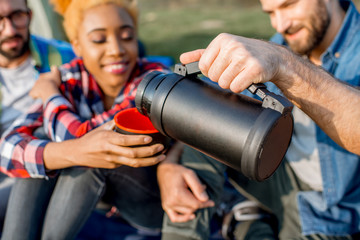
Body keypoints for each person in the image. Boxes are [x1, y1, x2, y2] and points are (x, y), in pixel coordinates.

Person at [0, 0, 220, 239]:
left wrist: (49, 94)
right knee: (40, 149)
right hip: (100, 211)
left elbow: (84, 139)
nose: (116, 49)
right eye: (98, 40)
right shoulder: (69, 77)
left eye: (127, 37)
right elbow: (8, 146)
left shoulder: (150, 82)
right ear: (77, 46)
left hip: (149, 205)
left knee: (96, 154)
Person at [159, 0, 360, 239]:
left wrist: (285, 65)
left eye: (289, 5)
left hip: (333, 209)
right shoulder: (281, 44)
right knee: (203, 119)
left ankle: (250, 220)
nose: (281, 24)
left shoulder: (282, 53)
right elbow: (219, 113)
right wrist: (171, 163)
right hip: (277, 174)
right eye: (271, 12)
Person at [0, 0, 76, 233]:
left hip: (58, 164)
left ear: (30, 15)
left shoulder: (65, 56)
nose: (11, 30)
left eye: (17, 16)